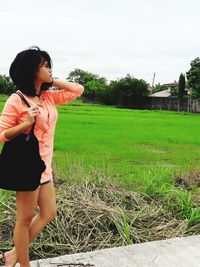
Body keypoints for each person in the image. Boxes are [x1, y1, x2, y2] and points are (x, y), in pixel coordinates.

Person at [0, 46, 84, 267]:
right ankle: (22, 264)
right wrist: (25, 124)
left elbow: (77, 89)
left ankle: (12, 255)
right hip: (27, 167)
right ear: (31, 69)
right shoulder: (16, 100)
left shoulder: (47, 97)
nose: (50, 69)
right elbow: (1, 134)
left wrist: (51, 80)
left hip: (44, 167)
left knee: (49, 213)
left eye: (49, 65)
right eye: (45, 66)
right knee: (24, 220)